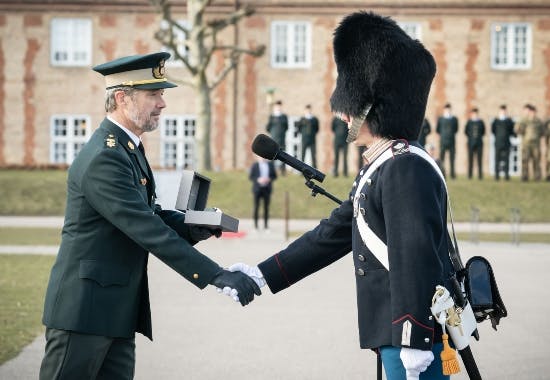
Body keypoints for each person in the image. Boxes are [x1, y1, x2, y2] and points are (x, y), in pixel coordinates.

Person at [229, 12, 455, 380]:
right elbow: (331, 235)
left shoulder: (402, 167)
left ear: (372, 107)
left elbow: (415, 254)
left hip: (412, 338)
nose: (343, 116)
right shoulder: (382, 165)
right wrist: (262, 275)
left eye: (350, 108)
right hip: (393, 332)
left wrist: (413, 337)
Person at [39, 52, 260, 380]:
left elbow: (149, 215)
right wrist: (214, 275)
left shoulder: (128, 150)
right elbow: (144, 228)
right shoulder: (105, 158)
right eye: (153, 94)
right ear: (121, 98)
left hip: (115, 312)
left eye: (162, 94)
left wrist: (193, 226)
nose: (162, 103)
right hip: (84, 314)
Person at [515, 104, 544, 181]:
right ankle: (524, 177)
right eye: (531, 111)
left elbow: (542, 132)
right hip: (526, 144)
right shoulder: (524, 121)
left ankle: (537, 177)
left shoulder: (538, 121)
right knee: (525, 161)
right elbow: (517, 130)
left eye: (534, 112)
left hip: (536, 145)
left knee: (536, 161)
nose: (532, 113)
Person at [249, 156, 277, 231]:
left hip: (267, 189)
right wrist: (258, 179)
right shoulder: (255, 165)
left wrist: (269, 179)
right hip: (257, 189)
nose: (263, 158)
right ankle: (255, 226)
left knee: (266, 208)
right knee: (256, 207)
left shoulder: (270, 165)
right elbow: (251, 176)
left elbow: (274, 176)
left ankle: (266, 226)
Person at [491, 104, 515, 180]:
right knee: (497, 159)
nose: (503, 112)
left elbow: (512, 131)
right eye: (502, 110)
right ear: (499, 111)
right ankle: (496, 175)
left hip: (507, 142)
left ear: (506, 111)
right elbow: (493, 131)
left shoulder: (509, 121)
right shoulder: (495, 121)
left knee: (507, 159)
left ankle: (506, 175)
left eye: (504, 110)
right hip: (498, 142)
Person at [266, 100, 289, 174]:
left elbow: (286, 127)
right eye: (277, 106)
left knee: (283, 155)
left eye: (279, 106)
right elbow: (268, 128)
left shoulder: (284, 117)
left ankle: (283, 171)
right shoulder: (272, 117)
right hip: (273, 139)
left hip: (282, 139)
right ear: (275, 107)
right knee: (272, 155)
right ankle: (271, 170)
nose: (278, 107)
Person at [436, 103, 458, 179]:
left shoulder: (454, 119)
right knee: (442, 159)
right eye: (446, 109)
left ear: (450, 110)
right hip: (443, 142)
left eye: (449, 109)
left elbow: (456, 129)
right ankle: (442, 174)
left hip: (452, 142)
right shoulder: (441, 119)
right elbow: (438, 130)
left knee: (452, 159)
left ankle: (452, 175)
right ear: (444, 110)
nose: (448, 110)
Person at [464, 107, 485, 179]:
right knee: (470, 160)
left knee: (479, 160)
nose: (475, 115)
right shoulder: (469, 122)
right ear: (472, 114)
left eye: (476, 113)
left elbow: (483, 132)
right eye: (473, 113)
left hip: (479, 143)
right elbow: (466, 131)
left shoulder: (481, 122)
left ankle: (480, 176)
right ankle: (470, 175)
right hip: (471, 143)